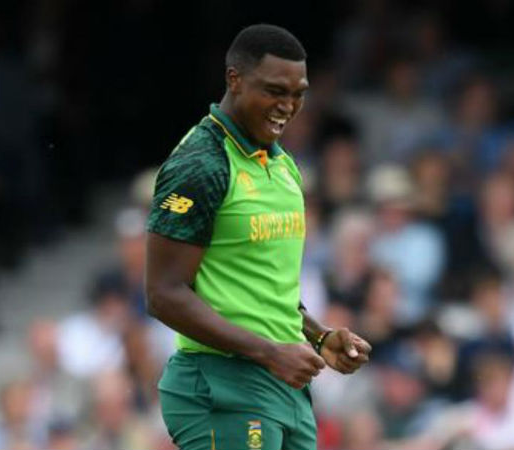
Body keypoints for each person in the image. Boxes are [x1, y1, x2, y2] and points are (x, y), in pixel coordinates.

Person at [145, 24, 371, 450]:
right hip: (222, 384)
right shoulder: (201, 164)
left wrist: (319, 336)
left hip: (284, 385)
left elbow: (264, 289)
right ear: (235, 79)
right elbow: (163, 294)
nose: (288, 106)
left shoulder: (283, 164)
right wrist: (269, 352)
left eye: (298, 94)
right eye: (274, 91)